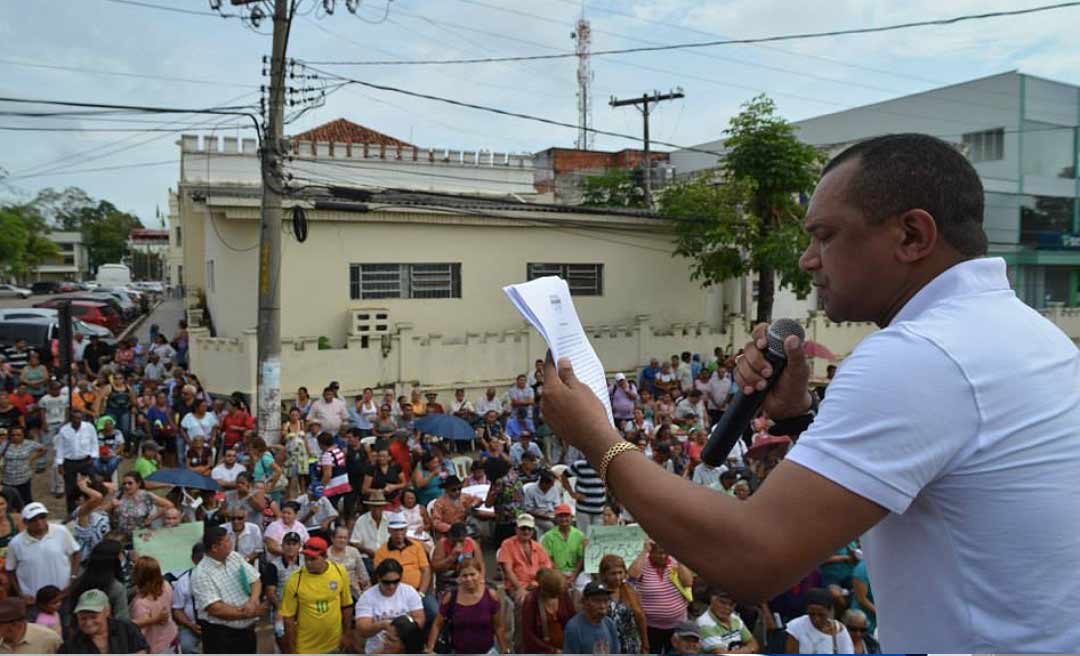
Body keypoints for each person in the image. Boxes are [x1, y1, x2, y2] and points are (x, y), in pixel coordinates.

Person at [540, 133, 1080, 652]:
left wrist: (596, 436)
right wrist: (799, 418)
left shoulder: (920, 354)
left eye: (826, 235)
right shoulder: (1027, 334)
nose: (807, 259)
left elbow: (750, 560)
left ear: (912, 236)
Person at [190, 526, 266, 653]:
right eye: (227, 541)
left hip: (246, 631)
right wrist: (249, 613)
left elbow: (255, 580)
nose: (231, 543)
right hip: (221, 636)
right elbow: (216, 609)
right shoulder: (201, 574)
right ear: (215, 548)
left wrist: (252, 601)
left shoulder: (234, 557)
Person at [279, 537, 354, 654]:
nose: (308, 563)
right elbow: (288, 618)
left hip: (335, 645)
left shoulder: (339, 571)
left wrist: (346, 634)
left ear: (324, 557)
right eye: (306, 559)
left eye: (313, 559)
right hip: (306, 648)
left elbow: (347, 605)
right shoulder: (295, 580)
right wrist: (292, 650)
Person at [423, 558, 506, 654]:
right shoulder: (451, 597)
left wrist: (505, 650)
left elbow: (499, 627)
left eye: (472, 574)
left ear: (480, 574)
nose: (469, 579)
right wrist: (430, 648)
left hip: (487, 652)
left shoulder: (491, 595)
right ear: (459, 578)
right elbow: (437, 624)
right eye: (464, 576)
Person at [4, 503, 79, 604]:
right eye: (33, 519)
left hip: (62, 595)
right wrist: (21, 594)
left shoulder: (61, 531)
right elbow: (10, 571)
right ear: (25, 522)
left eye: (42, 517)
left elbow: (76, 552)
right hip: (34, 600)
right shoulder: (15, 543)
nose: (39, 522)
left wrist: (73, 578)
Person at [629, 539, 691, 653]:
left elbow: (688, 582)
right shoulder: (643, 563)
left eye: (665, 552)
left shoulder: (674, 562)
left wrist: (679, 560)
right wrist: (644, 551)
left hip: (678, 624)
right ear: (651, 552)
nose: (663, 556)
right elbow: (632, 575)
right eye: (659, 552)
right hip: (651, 626)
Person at [353, 559, 424, 654]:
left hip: (403, 649)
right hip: (376, 649)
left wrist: (399, 631)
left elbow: (419, 620)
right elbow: (362, 630)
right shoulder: (367, 597)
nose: (392, 586)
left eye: (396, 581)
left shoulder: (409, 591)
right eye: (387, 582)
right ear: (378, 578)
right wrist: (383, 625)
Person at [373, 513, 434, 621]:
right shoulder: (382, 552)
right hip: (394, 594)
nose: (399, 534)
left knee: (434, 612)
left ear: (406, 530)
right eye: (395, 530)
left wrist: (421, 593)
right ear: (389, 531)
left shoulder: (416, 546)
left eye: (401, 530)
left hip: (419, 590)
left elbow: (425, 570)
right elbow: (380, 577)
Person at [59, 589, 148, 655]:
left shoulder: (127, 628)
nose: (88, 623)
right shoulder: (71, 645)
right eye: (83, 618)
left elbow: (142, 649)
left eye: (94, 617)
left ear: (107, 611)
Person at [497, 513, 554, 605]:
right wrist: (520, 588)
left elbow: (547, 568)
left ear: (533, 530)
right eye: (523, 528)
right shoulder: (507, 544)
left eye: (529, 529)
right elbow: (508, 571)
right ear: (516, 529)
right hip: (516, 586)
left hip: (538, 585)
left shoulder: (538, 546)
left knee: (554, 598)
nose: (526, 531)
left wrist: (537, 583)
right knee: (525, 601)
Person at [598, 554, 648, 654]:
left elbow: (640, 618)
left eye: (620, 573)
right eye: (613, 574)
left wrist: (645, 645)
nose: (617, 577)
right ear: (604, 574)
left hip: (632, 644)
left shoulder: (631, 591)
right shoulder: (598, 593)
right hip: (608, 645)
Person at [129, 556, 178, 654]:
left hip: (155, 647)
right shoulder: (166, 585)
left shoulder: (140, 603)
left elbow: (140, 635)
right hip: (172, 638)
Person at [520, 567, 575, 653]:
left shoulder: (563, 594)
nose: (559, 596)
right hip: (542, 650)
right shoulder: (531, 601)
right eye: (556, 594)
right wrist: (552, 651)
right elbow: (528, 635)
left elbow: (573, 619)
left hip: (566, 647)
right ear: (545, 590)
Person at [54, 409, 98, 514]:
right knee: (70, 488)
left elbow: (94, 442)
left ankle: (90, 510)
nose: (77, 420)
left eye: (79, 418)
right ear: (70, 419)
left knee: (90, 485)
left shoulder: (89, 427)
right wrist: (59, 463)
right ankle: (71, 512)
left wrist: (93, 457)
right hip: (70, 462)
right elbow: (60, 447)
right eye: (75, 418)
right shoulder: (64, 430)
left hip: (86, 461)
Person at [785, 588, 853, 654]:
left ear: (830, 611)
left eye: (821, 615)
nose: (816, 619)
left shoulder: (839, 630)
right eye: (812, 614)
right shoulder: (795, 627)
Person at [563, 581, 621, 654]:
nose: (602, 606)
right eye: (597, 601)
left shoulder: (609, 623)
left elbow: (615, 652)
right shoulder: (574, 628)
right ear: (585, 602)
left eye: (606, 601)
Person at [697, 586, 759, 654]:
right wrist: (748, 650)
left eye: (731, 604)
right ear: (712, 600)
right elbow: (722, 654)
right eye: (723, 603)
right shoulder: (704, 624)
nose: (727, 608)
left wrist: (747, 649)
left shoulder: (734, 618)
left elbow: (754, 643)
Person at [430, 522, 484, 594]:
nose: (458, 543)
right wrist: (451, 557)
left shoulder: (471, 543)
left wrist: (481, 579)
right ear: (450, 536)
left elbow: (481, 564)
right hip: (448, 578)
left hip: (469, 576)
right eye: (454, 541)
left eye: (461, 541)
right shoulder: (442, 544)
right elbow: (435, 566)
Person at [169, 543, 204, 655]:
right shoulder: (183, 582)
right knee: (185, 646)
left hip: (217, 624)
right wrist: (191, 625)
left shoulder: (220, 578)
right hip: (191, 626)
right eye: (199, 560)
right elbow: (177, 610)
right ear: (193, 560)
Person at [540, 504, 585, 584]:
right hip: (555, 572)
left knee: (583, 584)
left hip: (576, 572)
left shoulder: (580, 535)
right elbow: (548, 559)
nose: (564, 518)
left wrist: (574, 575)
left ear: (571, 518)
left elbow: (581, 558)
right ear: (556, 518)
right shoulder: (548, 536)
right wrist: (560, 574)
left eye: (566, 516)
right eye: (561, 516)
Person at [1, 427, 44, 504]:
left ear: (23, 435)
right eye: (13, 435)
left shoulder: (29, 444)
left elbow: (42, 449)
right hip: (8, 480)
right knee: (9, 500)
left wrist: (31, 459)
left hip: (24, 479)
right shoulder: (4, 445)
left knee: (26, 499)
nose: (15, 437)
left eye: (18, 435)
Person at [350, 491, 390, 572]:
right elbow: (354, 542)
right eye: (374, 507)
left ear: (383, 507)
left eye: (379, 507)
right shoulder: (361, 520)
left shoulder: (391, 518)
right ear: (370, 507)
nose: (376, 509)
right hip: (367, 558)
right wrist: (367, 551)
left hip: (388, 555)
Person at [328, 526, 370, 598]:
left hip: (354, 590)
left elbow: (363, 573)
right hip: (334, 590)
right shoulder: (326, 555)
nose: (342, 540)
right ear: (332, 538)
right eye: (339, 537)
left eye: (345, 538)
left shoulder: (354, 551)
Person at [522, 469, 560, 535]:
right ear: (543, 483)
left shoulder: (554, 489)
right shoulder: (530, 490)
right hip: (538, 516)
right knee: (550, 526)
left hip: (551, 514)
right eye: (550, 485)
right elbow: (528, 510)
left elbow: (557, 505)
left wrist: (556, 515)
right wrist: (546, 517)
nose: (552, 486)